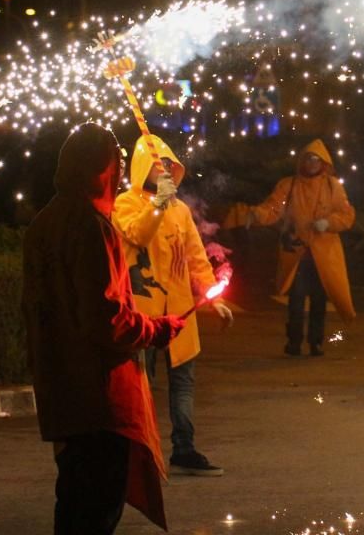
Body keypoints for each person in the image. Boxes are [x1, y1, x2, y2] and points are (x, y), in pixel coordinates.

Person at [22, 122, 185, 534]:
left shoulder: (45, 222)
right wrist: (156, 329)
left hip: (62, 383)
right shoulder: (92, 227)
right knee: (94, 505)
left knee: (75, 499)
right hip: (97, 392)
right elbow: (106, 320)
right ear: (104, 170)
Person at [113, 135, 233, 477]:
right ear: (141, 168)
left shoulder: (180, 210)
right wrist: (157, 206)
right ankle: (140, 449)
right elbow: (137, 235)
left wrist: (216, 298)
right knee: (142, 382)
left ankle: (184, 448)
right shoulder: (126, 204)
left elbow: (197, 258)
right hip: (143, 311)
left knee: (183, 382)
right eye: (157, 163)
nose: (164, 169)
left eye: (168, 164)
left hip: (180, 310)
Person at [242, 139, 356, 355]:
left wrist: (328, 223)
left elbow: (347, 215)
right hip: (298, 253)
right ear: (302, 162)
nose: (312, 163)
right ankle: (294, 342)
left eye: (316, 159)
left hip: (324, 255)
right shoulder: (289, 185)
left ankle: (316, 342)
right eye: (308, 159)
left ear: (323, 163)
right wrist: (257, 213)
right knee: (296, 299)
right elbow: (273, 208)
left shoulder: (333, 186)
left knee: (319, 301)